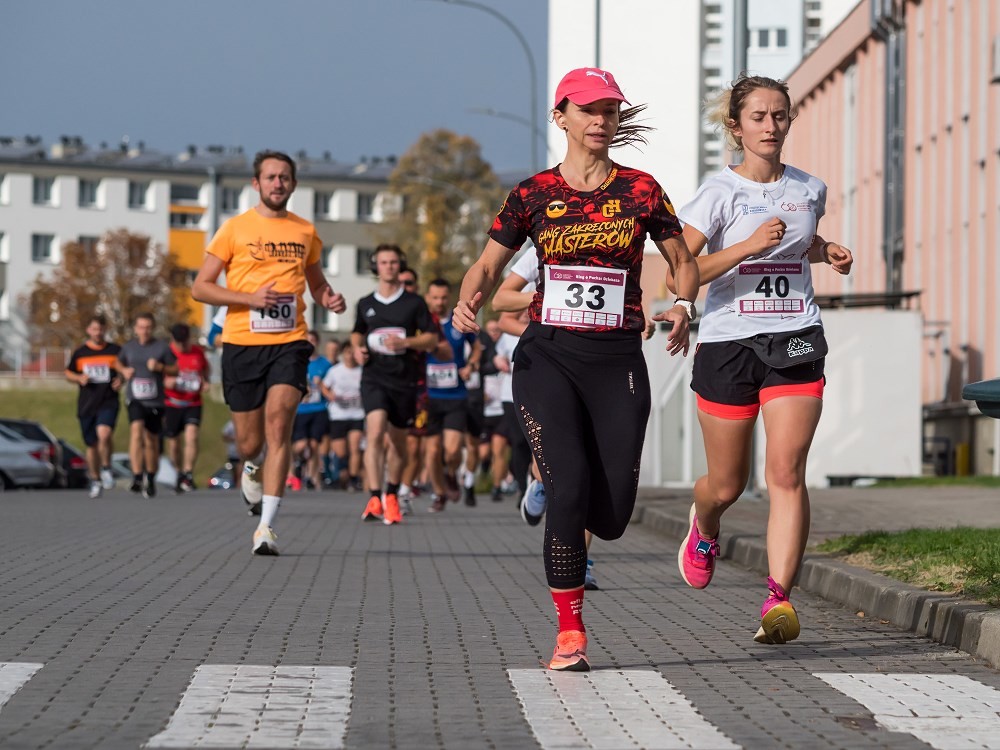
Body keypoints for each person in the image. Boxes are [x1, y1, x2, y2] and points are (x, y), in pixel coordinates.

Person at [453, 67, 699, 671]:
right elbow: (487, 266)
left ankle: (579, 518)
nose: (600, 120)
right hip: (549, 354)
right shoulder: (532, 193)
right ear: (560, 116)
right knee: (568, 487)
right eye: (588, 110)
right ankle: (570, 632)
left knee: (611, 513)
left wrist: (684, 304)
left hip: (616, 359)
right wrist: (467, 300)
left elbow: (681, 259)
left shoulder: (641, 190)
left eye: (609, 111)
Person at [670, 73, 853, 645]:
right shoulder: (717, 193)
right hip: (729, 343)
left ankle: (779, 600)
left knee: (787, 473)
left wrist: (827, 250)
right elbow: (682, 272)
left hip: (795, 335)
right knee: (726, 485)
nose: (771, 126)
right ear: (736, 126)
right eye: (758, 117)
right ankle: (705, 524)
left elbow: (800, 245)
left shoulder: (809, 189)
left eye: (779, 116)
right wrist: (748, 246)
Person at [191, 149, 347, 556]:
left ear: (293, 184)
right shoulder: (233, 229)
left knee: (279, 426)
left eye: (284, 177)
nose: (278, 183)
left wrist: (329, 298)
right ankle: (251, 467)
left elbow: (317, 283)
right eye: (271, 177)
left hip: (290, 342)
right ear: (256, 183)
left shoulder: (305, 231)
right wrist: (249, 299)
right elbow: (201, 287)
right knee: (249, 443)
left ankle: (266, 527)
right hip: (242, 343)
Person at [352, 244, 439, 525]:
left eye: (393, 262)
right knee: (375, 432)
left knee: (399, 443)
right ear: (375, 266)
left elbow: (431, 339)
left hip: (403, 379)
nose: (388, 267)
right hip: (374, 377)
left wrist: (406, 342)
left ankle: (391, 493)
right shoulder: (365, 303)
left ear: (399, 266)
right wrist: (357, 349)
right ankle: (374, 497)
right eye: (383, 262)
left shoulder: (414, 303)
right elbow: (357, 333)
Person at [423, 278, 481, 512]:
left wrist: (471, 365)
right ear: (428, 298)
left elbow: (477, 347)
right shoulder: (422, 323)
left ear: (449, 298)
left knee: (453, 450)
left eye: (443, 298)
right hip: (428, 397)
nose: (439, 302)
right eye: (435, 298)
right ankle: (439, 493)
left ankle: (451, 473)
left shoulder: (458, 321)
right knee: (432, 451)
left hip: (456, 396)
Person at [116, 312, 178, 500]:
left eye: (148, 327)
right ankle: (136, 476)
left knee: (151, 440)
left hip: (155, 401)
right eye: (141, 327)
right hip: (135, 399)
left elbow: (175, 369)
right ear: (136, 329)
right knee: (136, 431)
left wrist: (160, 368)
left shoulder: (162, 347)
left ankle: (150, 477)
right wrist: (123, 371)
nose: (145, 331)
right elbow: (117, 362)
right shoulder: (129, 347)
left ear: (153, 328)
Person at [64, 314, 122, 498]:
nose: (98, 333)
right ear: (88, 330)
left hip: (108, 401)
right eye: (94, 329)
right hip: (87, 403)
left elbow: (124, 371)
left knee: (104, 434)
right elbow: (68, 373)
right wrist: (79, 378)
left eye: (101, 329)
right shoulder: (80, 353)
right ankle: (95, 479)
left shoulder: (115, 350)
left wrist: (121, 380)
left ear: (105, 330)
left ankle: (106, 468)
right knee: (91, 444)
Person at [163, 322, 211, 493]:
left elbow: (205, 369)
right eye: (179, 342)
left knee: (192, 436)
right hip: (172, 403)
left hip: (193, 402)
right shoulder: (167, 353)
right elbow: (157, 374)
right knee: (174, 444)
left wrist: (206, 382)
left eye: (184, 341)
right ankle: (178, 472)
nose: (182, 345)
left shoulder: (197, 352)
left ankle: (188, 473)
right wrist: (166, 382)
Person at [321, 341, 365, 490]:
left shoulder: (362, 371)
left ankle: (353, 479)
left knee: (355, 448)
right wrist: (329, 395)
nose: (350, 356)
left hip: (357, 414)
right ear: (343, 354)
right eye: (347, 352)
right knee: (341, 452)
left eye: (353, 352)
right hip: (338, 415)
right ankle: (343, 472)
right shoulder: (335, 371)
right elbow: (324, 386)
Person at [291, 330, 331, 490]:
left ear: (318, 342)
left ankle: (312, 477)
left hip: (318, 408)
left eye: (313, 340)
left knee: (314, 445)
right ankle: (297, 463)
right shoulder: (296, 361)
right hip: (301, 410)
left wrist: (321, 385)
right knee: (301, 445)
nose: (310, 343)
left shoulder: (325, 364)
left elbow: (331, 385)